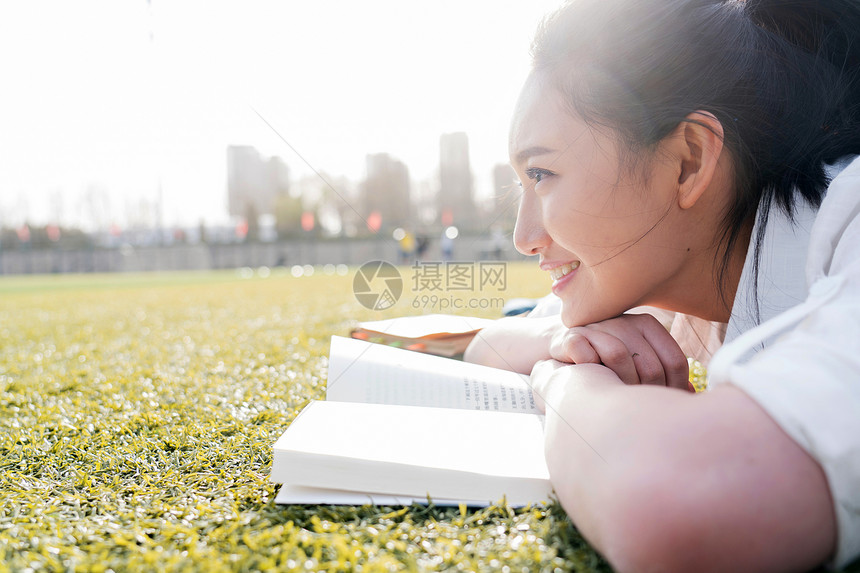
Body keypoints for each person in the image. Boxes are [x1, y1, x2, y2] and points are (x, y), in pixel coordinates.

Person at [463, 0, 860, 570]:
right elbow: (490, 347)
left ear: (688, 161)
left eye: (542, 174)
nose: (524, 236)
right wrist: (561, 345)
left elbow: (681, 504)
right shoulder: (697, 271)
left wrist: (566, 383)